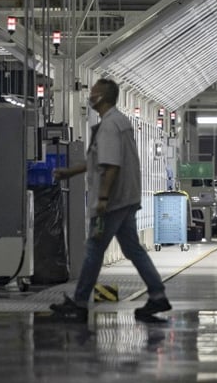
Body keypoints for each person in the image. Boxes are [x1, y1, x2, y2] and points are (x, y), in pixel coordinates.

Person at [50, 78, 171, 322]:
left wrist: (103, 198)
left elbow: (110, 165)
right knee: (133, 249)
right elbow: (99, 160)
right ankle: (157, 295)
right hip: (126, 198)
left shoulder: (109, 126)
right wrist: (70, 172)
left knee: (94, 248)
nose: (90, 95)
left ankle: (80, 302)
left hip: (112, 200)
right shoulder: (119, 122)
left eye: (93, 92)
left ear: (103, 97)